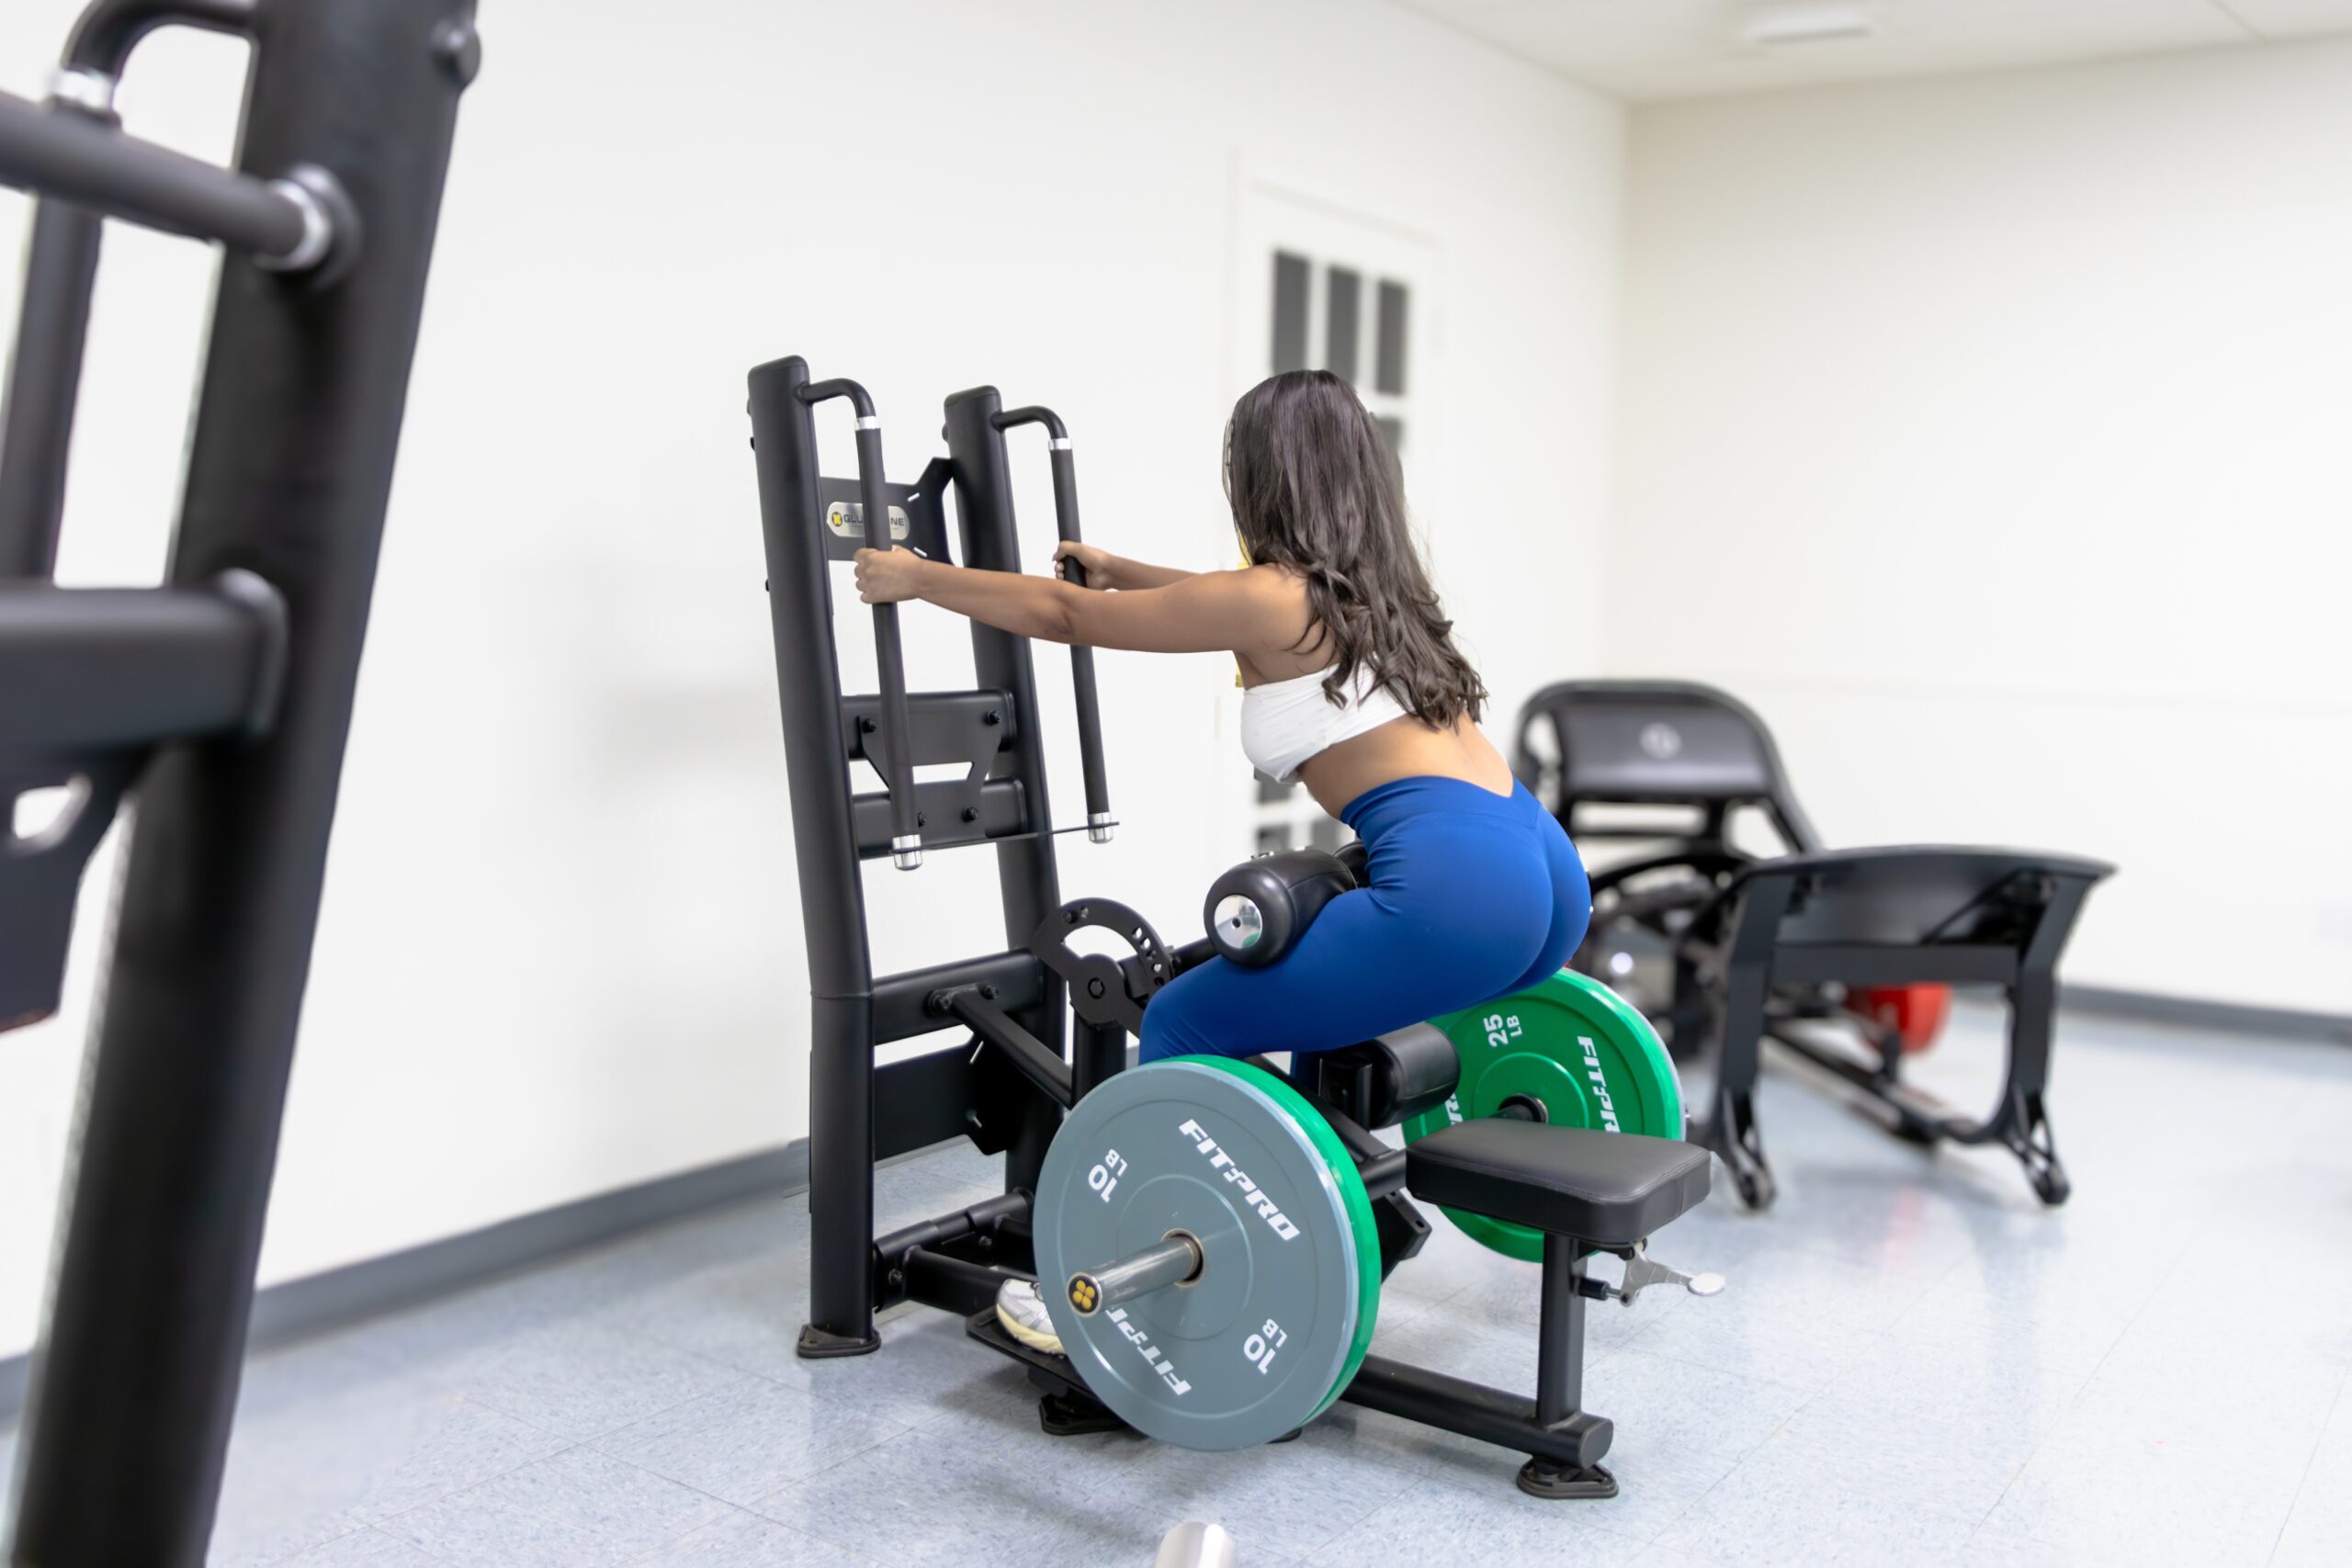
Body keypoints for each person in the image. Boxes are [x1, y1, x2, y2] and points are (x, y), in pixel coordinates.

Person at [852, 369, 1588, 1354]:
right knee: (1254, 1011)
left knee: (1189, 1018)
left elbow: (1071, 621)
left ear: (1261, 476)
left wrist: (916, 579)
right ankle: (1337, 1211)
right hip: (1534, 872)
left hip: (1456, 888)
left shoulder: (1273, 598)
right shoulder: (1378, 592)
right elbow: (1220, 606)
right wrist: (1128, 570)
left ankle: (1146, 1295)